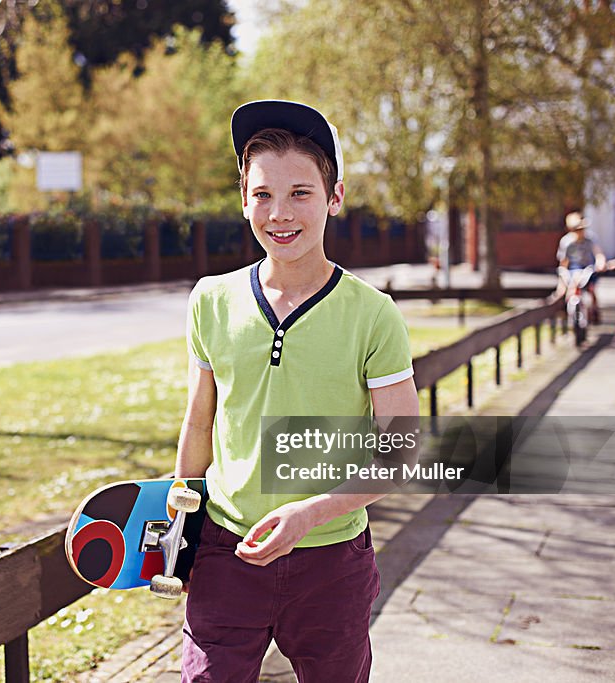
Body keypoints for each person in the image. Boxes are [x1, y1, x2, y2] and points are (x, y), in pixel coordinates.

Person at [176, 100, 419, 682]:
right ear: (243, 201)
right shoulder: (210, 300)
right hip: (225, 552)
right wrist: (180, 533)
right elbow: (199, 425)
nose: (279, 213)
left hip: (332, 561)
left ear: (334, 198)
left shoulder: (373, 315)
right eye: (262, 194)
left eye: (300, 193)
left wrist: (312, 514)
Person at [555, 211, 606, 324]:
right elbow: (564, 261)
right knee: (568, 288)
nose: (580, 232)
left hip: (588, 268)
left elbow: (598, 253)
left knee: (591, 289)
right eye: (577, 230)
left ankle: (594, 311)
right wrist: (562, 281)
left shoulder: (590, 239)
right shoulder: (566, 242)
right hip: (574, 269)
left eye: (581, 229)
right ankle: (567, 312)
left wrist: (600, 262)